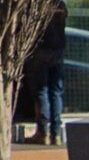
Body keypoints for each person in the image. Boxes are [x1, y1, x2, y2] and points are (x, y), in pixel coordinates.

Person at [20, 15, 67, 148]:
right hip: (58, 51)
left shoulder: (37, 5)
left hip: (41, 50)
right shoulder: (60, 5)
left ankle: (43, 132)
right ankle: (56, 133)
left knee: (42, 91)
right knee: (56, 92)